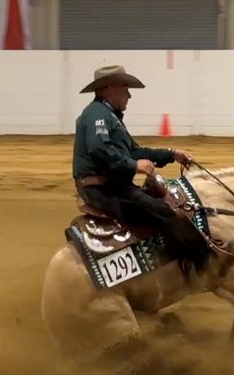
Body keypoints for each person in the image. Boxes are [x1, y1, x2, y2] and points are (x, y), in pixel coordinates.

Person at [72, 64, 219, 276]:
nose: (129, 95)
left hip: (111, 186)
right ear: (109, 88)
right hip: (104, 190)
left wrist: (171, 154)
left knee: (160, 206)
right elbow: (100, 150)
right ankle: (207, 263)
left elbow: (136, 151)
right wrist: (133, 166)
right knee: (165, 212)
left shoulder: (108, 116)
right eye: (125, 88)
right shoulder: (97, 114)